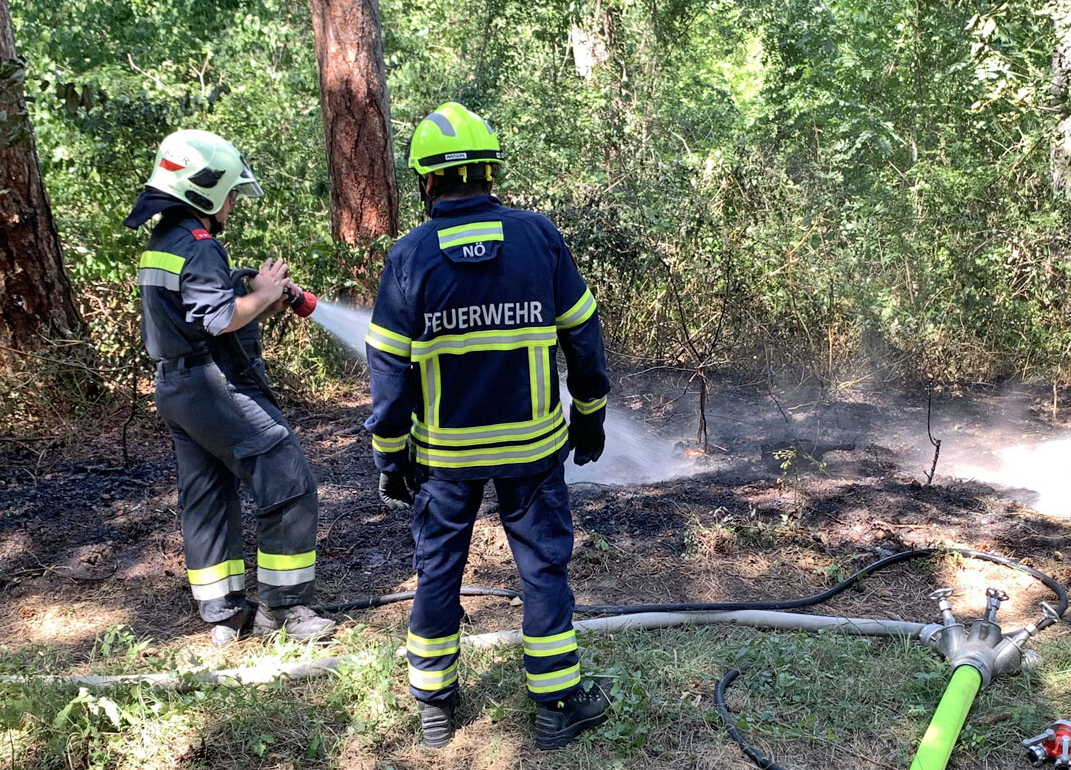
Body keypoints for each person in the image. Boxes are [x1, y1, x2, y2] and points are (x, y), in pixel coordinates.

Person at [364, 103, 611, 750]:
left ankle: (435, 706)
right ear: (489, 172)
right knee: (542, 570)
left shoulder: (409, 256)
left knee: (438, 569)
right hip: (532, 450)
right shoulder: (537, 237)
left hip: (445, 458)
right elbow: (582, 334)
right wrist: (590, 413)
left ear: (426, 181)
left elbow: (387, 371)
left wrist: (390, 455)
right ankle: (556, 704)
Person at [124, 129, 335, 646]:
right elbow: (219, 319)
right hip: (210, 385)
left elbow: (195, 315)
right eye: (231, 193)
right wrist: (263, 291)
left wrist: (261, 299)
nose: (234, 202)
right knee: (285, 473)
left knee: (207, 494)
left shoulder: (163, 242)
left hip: (175, 387)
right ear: (205, 190)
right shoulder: (199, 246)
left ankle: (223, 615)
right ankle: (283, 608)